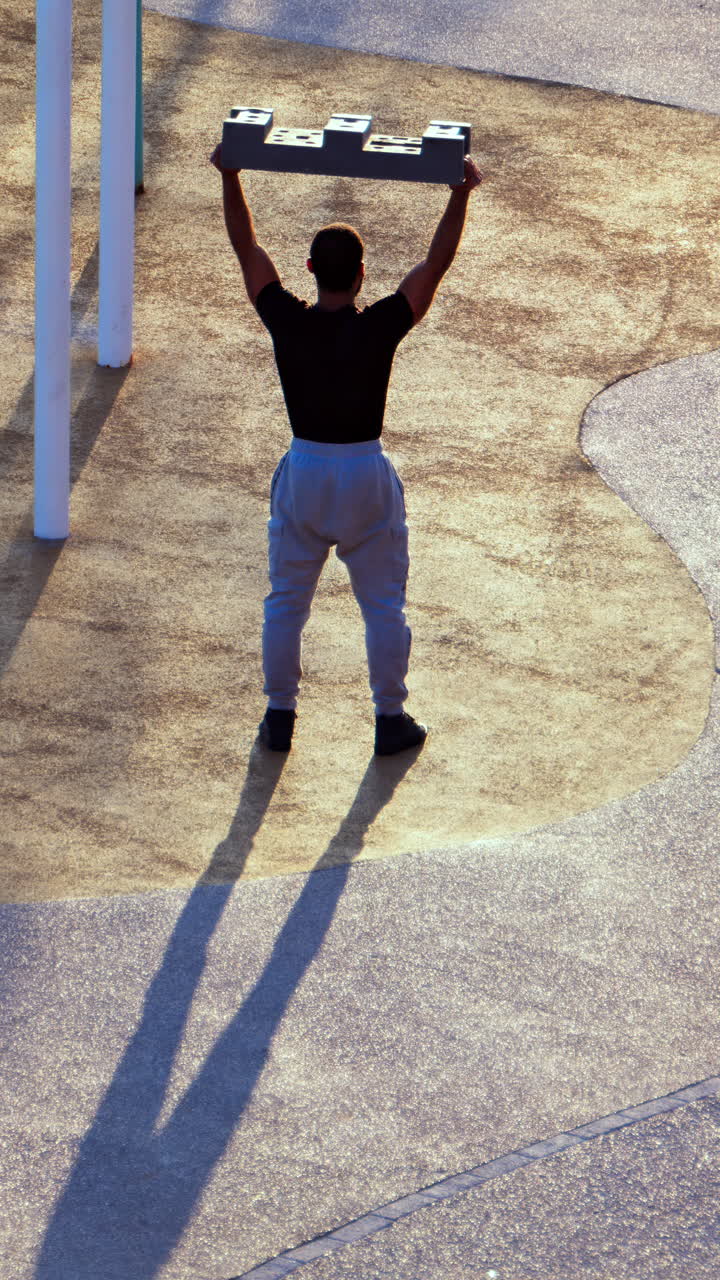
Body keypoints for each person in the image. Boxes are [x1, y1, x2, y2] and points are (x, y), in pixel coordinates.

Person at [210, 142, 483, 754]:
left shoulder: (287, 320)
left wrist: (231, 175)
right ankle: (390, 718)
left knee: (285, 605)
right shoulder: (380, 324)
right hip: (364, 472)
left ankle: (279, 718)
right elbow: (434, 265)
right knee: (383, 607)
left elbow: (247, 249)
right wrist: (459, 194)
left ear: (309, 268)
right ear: (362, 273)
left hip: (305, 471)